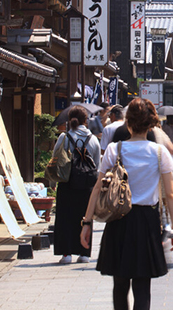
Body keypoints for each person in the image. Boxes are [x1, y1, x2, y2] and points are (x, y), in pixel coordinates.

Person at [81, 98, 173, 310]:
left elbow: (97, 187)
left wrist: (87, 223)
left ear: (128, 123)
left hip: (119, 219)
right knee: (143, 285)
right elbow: (170, 194)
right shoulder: (158, 152)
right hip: (147, 221)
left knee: (120, 283)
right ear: (151, 123)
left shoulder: (114, 150)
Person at [53, 106, 101, 264]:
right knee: (85, 217)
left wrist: (53, 182)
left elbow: (55, 160)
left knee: (65, 218)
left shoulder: (64, 137)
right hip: (87, 185)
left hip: (67, 183)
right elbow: (97, 165)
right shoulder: (93, 139)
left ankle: (66, 254)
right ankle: (84, 253)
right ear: (85, 121)